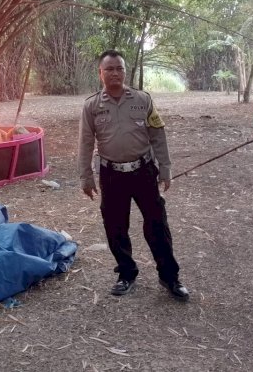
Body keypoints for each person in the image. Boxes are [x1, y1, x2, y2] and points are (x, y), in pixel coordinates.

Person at [78, 50, 189, 301]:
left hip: (143, 171)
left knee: (157, 224)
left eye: (119, 68)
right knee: (115, 226)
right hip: (111, 173)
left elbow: (158, 135)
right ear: (100, 73)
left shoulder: (143, 100)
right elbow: (85, 142)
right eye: (109, 69)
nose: (115, 73)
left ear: (125, 72)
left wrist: (166, 168)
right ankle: (126, 273)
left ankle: (169, 276)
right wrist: (85, 176)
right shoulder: (92, 106)